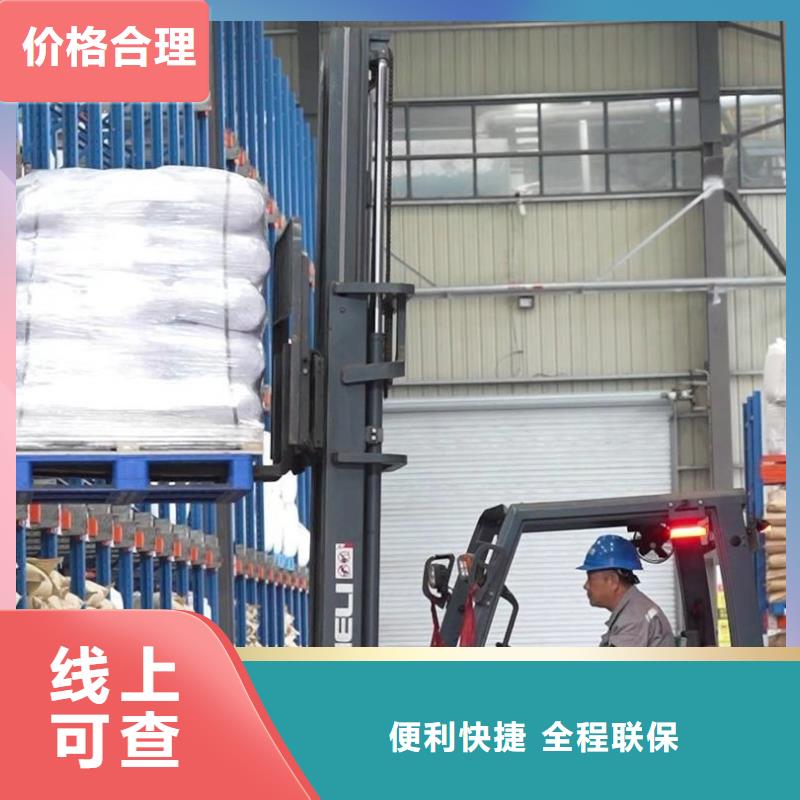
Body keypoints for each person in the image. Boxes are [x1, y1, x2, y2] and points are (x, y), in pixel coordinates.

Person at [577, 534, 675, 647]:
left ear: (613, 581)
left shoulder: (633, 620)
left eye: (590, 579)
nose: (586, 586)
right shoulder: (633, 611)